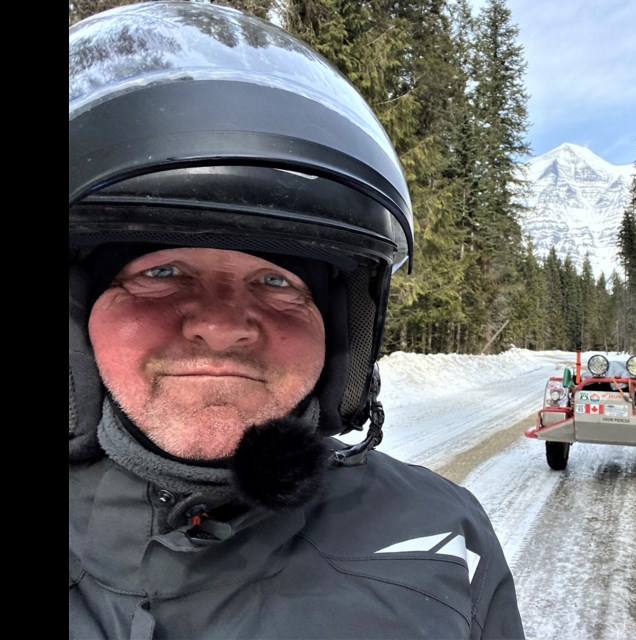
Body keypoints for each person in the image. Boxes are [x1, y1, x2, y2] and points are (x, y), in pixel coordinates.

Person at [68, 3, 525, 638]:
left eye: (277, 282)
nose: (223, 326)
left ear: (340, 332)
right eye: (163, 272)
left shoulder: (443, 537)